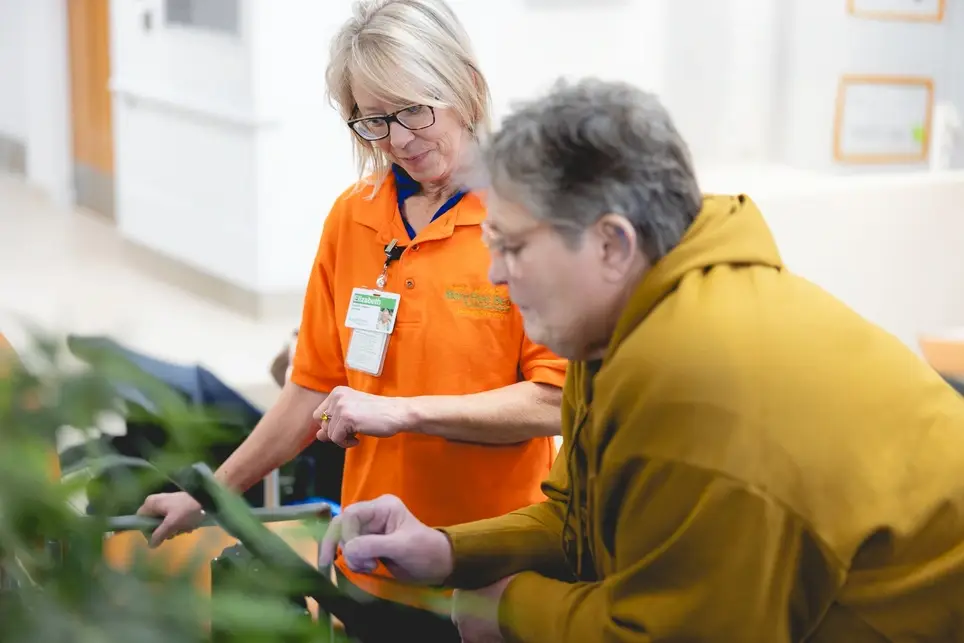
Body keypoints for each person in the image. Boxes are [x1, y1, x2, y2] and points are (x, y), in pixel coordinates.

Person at [318, 78, 964, 642]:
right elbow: (580, 519)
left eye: (513, 248)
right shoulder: (622, 326)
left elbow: (683, 635)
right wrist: (448, 548)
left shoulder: (700, 379)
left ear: (610, 244)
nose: (496, 272)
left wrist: (513, 607)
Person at [136, 0, 566, 638]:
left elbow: (557, 400)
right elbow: (309, 387)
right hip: (369, 566)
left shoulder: (527, 218)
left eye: (414, 110)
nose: (398, 140)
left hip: (488, 576)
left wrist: (409, 410)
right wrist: (208, 493)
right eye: (374, 120)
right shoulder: (354, 217)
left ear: (467, 89)